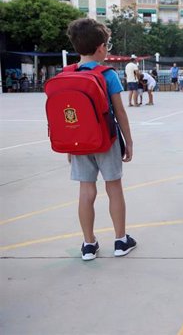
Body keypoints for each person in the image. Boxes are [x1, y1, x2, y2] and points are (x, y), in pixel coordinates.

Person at [64, 18, 136, 260]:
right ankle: (120, 240)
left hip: (78, 143)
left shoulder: (67, 75)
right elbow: (120, 112)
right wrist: (129, 141)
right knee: (114, 188)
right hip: (106, 140)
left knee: (86, 192)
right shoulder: (107, 74)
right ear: (101, 47)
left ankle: (88, 244)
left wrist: (69, 145)